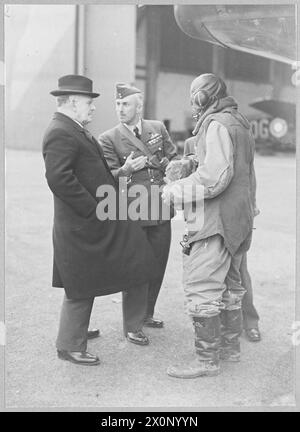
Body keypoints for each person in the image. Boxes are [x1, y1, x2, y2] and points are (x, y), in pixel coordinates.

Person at [43, 74, 157, 365]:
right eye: (87, 102)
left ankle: (86, 330)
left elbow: (94, 174)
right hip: (84, 222)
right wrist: (94, 209)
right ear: (70, 102)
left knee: (129, 259)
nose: (93, 108)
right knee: (81, 280)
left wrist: (119, 175)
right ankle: (69, 344)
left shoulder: (73, 128)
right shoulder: (60, 131)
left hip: (93, 219)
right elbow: (59, 179)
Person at [162, 73, 257, 378]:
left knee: (202, 286)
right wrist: (191, 165)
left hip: (215, 221)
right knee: (230, 286)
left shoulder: (216, 124)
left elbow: (215, 178)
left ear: (205, 96)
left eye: (195, 95)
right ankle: (230, 350)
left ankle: (206, 361)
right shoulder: (238, 121)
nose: (192, 101)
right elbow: (241, 169)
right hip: (239, 219)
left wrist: (174, 189)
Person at [99, 83, 178, 344]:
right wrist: (126, 170)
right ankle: (132, 324)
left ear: (138, 106)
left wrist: (172, 169)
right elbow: (106, 177)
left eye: (126, 104)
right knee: (136, 267)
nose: (120, 109)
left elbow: (172, 158)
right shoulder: (108, 138)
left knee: (157, 263)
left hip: (161, 208)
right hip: (133, 211)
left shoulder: (157, 128)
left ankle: (147, 313)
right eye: (118, 104)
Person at [184, 137, 261, 343]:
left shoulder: (230, 137)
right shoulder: (191, 143)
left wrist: (251, 206)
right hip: (206, 218)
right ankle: (220, 332)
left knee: (238, 273)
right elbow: (188, 182)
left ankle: (250, 322)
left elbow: (248, 175)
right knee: (208, 276)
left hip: (232, 215)